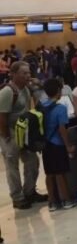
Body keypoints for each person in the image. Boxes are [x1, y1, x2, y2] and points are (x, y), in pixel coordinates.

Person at [0, 61, 46, 209]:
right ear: (13, 75)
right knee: (12, 166)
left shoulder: (26, 88)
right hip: (10, 133)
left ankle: (30, 191)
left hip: (24, 132)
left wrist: (38, 85)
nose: (28, 75)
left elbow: (40, 100)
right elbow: (2, 117)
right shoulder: (7, 92)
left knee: (32, 161)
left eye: (28, 73)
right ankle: (18, 197)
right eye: (24, 73)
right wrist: (6, 136)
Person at [40, 78, 76, 212]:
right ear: (58, 91)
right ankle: (66, 200)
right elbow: (62, 129)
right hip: (57, 143)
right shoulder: (60, 108)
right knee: (61, 172)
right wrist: (68, 146)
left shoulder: (41, 105)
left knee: (49, 173)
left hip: (45, 144)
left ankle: (52, 202)